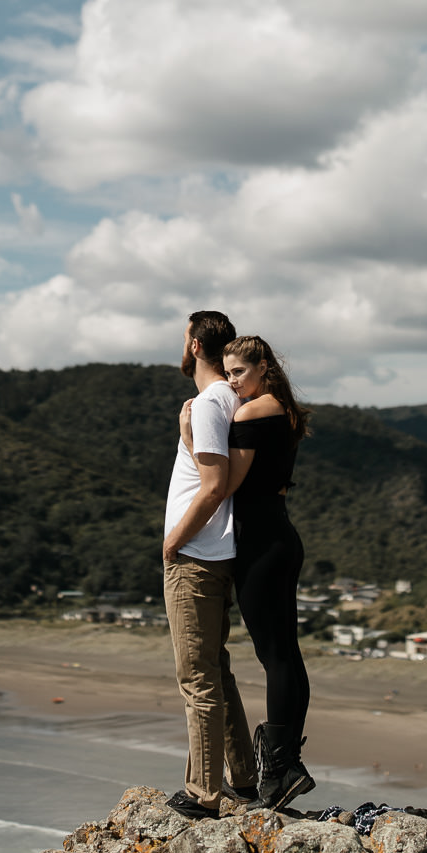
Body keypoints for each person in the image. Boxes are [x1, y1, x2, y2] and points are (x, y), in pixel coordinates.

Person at [160, 310, 257, 819]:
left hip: (196, 557)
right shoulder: (225, 399)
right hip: (217, 555)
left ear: (195, 345)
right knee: (217, 672)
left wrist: (173, 541)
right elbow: (213, 474)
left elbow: (215, 484)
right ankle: (243, 781)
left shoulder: (208, 402)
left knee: (196, 677)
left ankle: (203, 794)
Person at [222, 335, 316, 808]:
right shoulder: (282, 408)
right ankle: (285, 769)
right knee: (284, 656)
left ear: (262, 367)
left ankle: (281, 771)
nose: (232, 382)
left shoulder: (253, 412)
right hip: (276, 537)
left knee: (276, 656)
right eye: (228, 373)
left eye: (238, 372)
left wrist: (189, 436)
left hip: (261, 543)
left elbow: (229, 481)